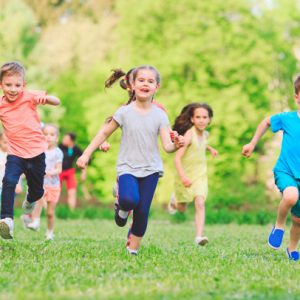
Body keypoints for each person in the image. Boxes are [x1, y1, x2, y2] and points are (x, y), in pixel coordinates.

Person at [77, 65, 184, 255]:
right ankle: (121, 205)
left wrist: (177, 144)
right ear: (132, 85)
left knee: (142, 211)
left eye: (150, 81)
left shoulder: (160, 115)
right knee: (129, 199)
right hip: (127, 166)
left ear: (157, 87)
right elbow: (104, 132)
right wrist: (86, 154)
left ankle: (132, 250)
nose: (145, 84)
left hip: (151, 168)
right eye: (141, 80)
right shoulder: (124, 112)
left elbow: (167, 146)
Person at [242, 75, 300, 261]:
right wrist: (252, 143)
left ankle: (291, 249)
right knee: (290, 196)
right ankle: (279, 225)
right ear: (297, 97)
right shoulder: (288, 118)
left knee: (298, 220)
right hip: (286, 171)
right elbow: (266, 121)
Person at [0, 61, 60, 239]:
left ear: (23, 85)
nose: (13, 89)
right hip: (16, 154)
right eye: (8, 85)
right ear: (1, 85)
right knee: (9, 182)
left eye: (17, 85)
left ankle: (30, 201)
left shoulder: (29, 96)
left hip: (36, 153)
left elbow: (57, 101)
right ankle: (6, 220)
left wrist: (47, 99)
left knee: (37, 191)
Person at [168, 103, 218, 245]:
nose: (201, 120)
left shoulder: (206, 134)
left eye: (204, 117)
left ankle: (199, 237)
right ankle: (174, 201)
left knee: (200, 203)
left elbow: (202, 144)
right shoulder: (189, 134)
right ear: (192, 119)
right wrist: (183, 177)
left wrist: (210, 149)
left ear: (209, 120)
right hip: (185, 175)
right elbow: (177, 158)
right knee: (182, 209)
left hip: (200, 175)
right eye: (198, 117)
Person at [26, 124, 63, 240]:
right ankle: (35, 221)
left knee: (50, 213)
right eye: (45, 134)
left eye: (52, 135)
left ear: (56, 138)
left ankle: (50, 232)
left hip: (54, 186)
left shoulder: (58, 152)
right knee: (39, 200)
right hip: (41, 183)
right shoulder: (39, 151)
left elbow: (59, 169)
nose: (48, 137)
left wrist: (49, 172)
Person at [59, 132, 86, 210]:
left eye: (66, 139)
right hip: (59, 171)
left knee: (72, 192)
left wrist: (83, 173)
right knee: (55, 191)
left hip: (70, 171)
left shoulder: (76, 148)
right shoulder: (60, 147)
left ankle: (71, 211)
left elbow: (84, 159)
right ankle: (52, 210)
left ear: (71, 141)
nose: (63, 140)